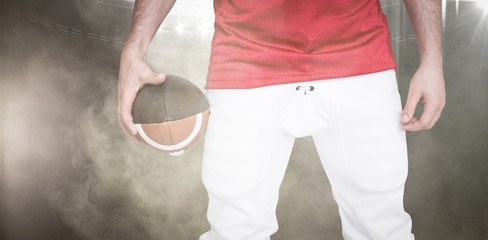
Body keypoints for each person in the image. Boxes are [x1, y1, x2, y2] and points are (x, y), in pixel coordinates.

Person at [117, 0, 446, 239]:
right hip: (245, 62)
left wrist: (432, 58)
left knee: (384, 229)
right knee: (234, 233)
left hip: (358, 58)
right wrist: (133, 49)